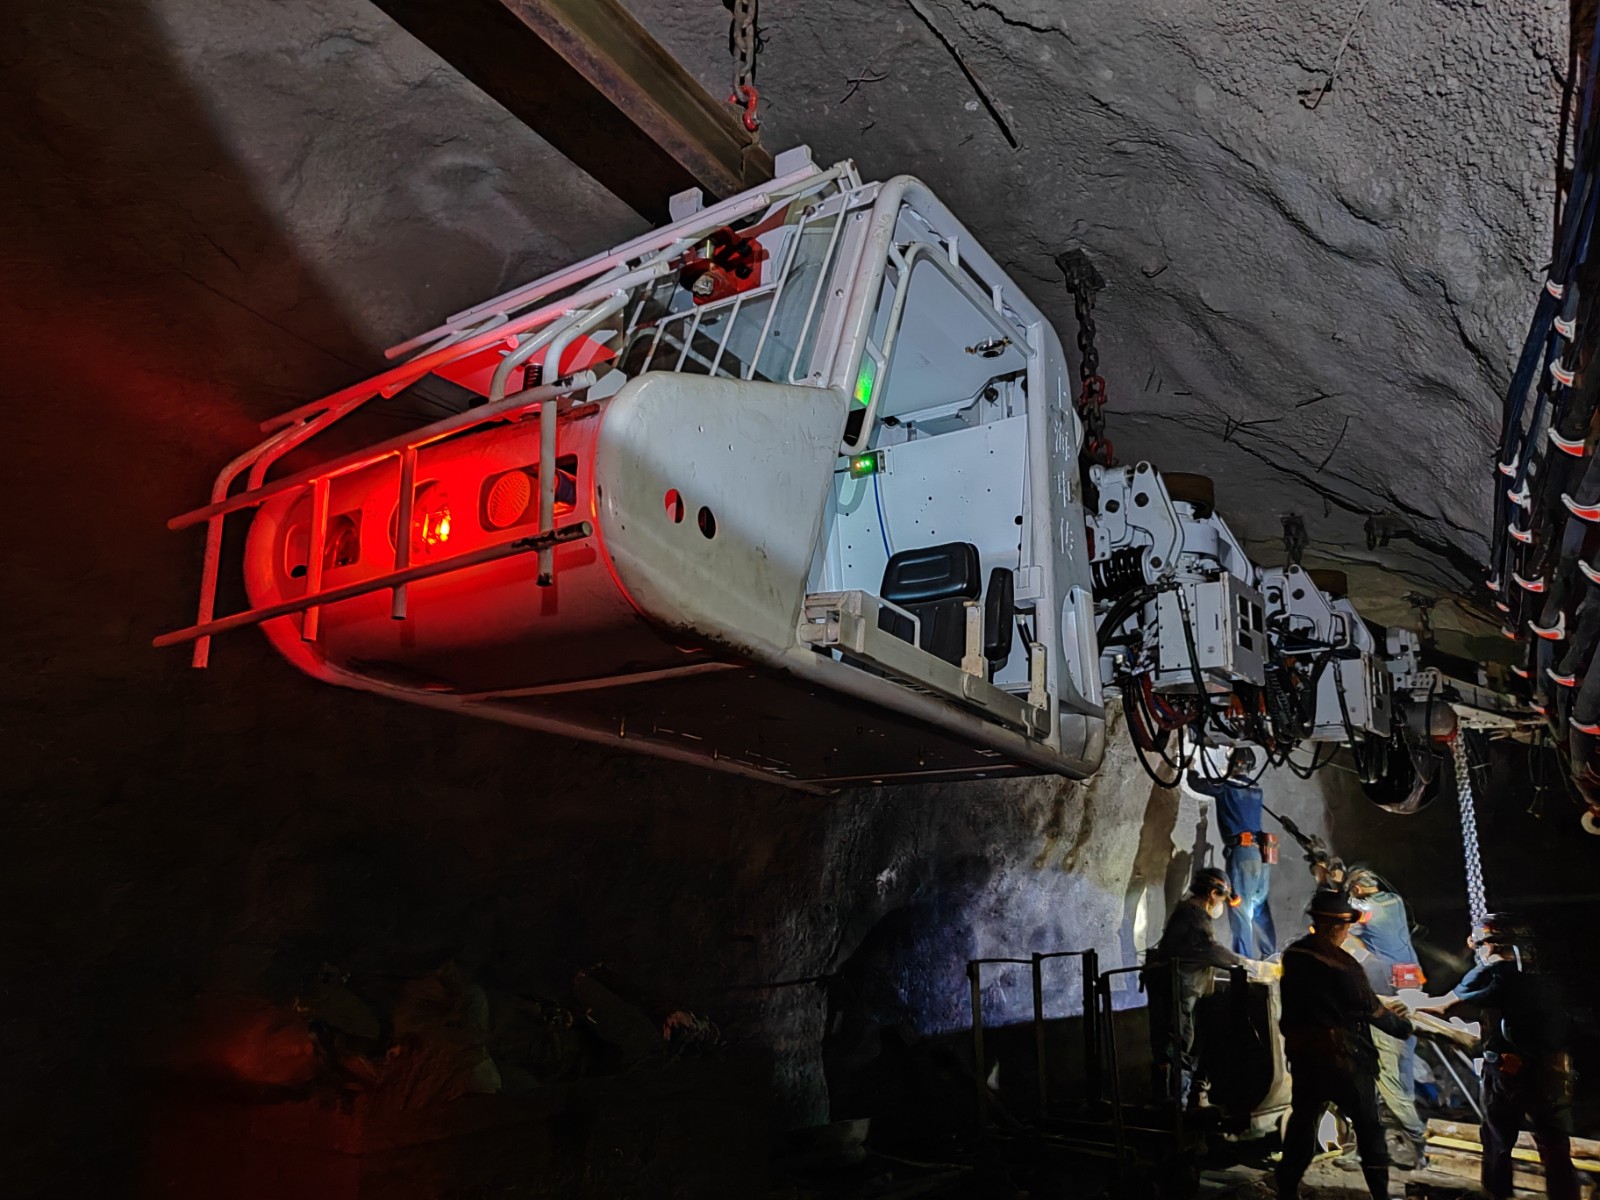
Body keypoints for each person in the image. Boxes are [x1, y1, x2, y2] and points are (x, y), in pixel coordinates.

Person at [1420, 915, 1577, 1200]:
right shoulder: (1546, 977)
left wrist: (1406, 1004)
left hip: (1510, 1071)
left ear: (1489, 945)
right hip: (1553, 1071)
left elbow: (1446, 1008)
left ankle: (1496, 1194)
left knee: (1497, 1141)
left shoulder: (1495, 974)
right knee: (1555, 1145)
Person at [1277, 888, 1414, 1200]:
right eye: (1346, 927)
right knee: (1369, 1129)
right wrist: (1404, 1026)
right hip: (1345, 1061)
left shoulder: (1294, 955)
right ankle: (1380, 1195)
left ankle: (1286, 1191)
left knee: (1302, 1124)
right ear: (1336, 926)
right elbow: (1371, 1010)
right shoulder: (1344, 965)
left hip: (1305, 1058)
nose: (1347, 933)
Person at [1344, 868, 1429, 1169]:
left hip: (1387, 993)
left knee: (1383, 1074)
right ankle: (1396, 1145)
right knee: (1402, 1067)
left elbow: (1346, 930)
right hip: (1411, 987)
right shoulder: (1394, 900)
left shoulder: (1362, 907)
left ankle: (1413, 1143)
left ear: (1357, 889)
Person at [1145, 866, 1247, 1109]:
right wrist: (1245, 964)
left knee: (1178, 1040)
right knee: (1177, 1041)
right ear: (1212, 893)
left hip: (1180, 985)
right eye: (1222, 897)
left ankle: (1174, 1100)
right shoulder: (1194, 916)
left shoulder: (1189, 912)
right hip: (1175, 987)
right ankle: (1174, 1105)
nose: (1221, 904)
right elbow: (1208, 948)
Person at [1187, 747, 1278, 957]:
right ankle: (1271, 955)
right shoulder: (1256, 789)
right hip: (1261, 855)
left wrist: (1191, 768)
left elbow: (1197, 784)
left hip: (1243, 854)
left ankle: (1244, 960)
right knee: (1259, 906)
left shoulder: (1226, 787)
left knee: (1240, 908)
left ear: (1232, 765)